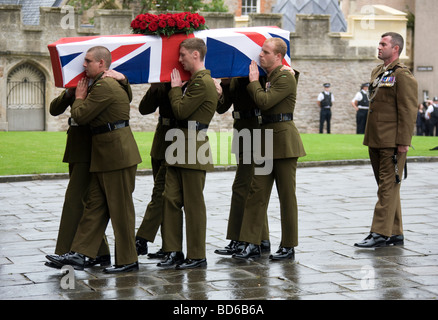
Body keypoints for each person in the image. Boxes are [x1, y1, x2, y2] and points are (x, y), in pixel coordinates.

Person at [46, 46, 142, 273]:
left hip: (115, 154)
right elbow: (57, 109)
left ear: (101, 63)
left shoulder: (105, 85)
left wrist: (78, 98)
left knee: (120, 209)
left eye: (88, 61)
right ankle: (82, 253)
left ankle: (128, 260)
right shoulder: (101, 83)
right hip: (105, 154)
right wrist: (73, 94)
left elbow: (80, 115)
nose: (84, 65)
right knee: (95, 207)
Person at [232, 37, 306, 261]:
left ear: (278, 57)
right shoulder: (273, 76)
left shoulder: (284, 76)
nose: (260, 55)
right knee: (256, 194)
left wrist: (253, 82)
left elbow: (264, 102)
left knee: (286, 196)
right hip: (265, 142)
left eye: (265, 52)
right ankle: (252, 243)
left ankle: (288, 245)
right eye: (261, 51)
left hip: (284, 143)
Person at [157, 38, 218, 270]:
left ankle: (197, 255)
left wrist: (174, 90)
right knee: (169, 198)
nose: (179, 59)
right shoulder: (194, 81)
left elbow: (181, 111)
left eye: (183, 55)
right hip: (179, 143)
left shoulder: (202, 82)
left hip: (193, 144)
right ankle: (173, 251)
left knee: (193, 204)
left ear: (195, 55)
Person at [355, 32, 418, 248]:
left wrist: (404, 142)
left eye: (384, 44)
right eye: (379, 43)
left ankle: (379, 232)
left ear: (396, 49)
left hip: (392, 141)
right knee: (389, 187)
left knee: (386, 188)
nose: (379, 47)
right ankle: (395, 232)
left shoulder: (402, 75)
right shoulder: (378, 71)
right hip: (375, 139)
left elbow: (409, 110)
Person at [214, 77, 271, 256]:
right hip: (241, 128)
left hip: (257, 128)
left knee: (244, 187)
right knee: (249, 187)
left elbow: (264, 100)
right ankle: (261, 238)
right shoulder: (233, 78)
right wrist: (223, 86)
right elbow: (221, 107)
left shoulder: (257, 74)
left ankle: (241, 238)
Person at [135, 82, 178, 259]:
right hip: (161, 139)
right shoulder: (162, 81)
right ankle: (168, 246)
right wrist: (153, 89)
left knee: (162, 194)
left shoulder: (187, 81)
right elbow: (144, 109)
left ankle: (142, 239)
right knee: (161, 195)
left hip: (178, 139)